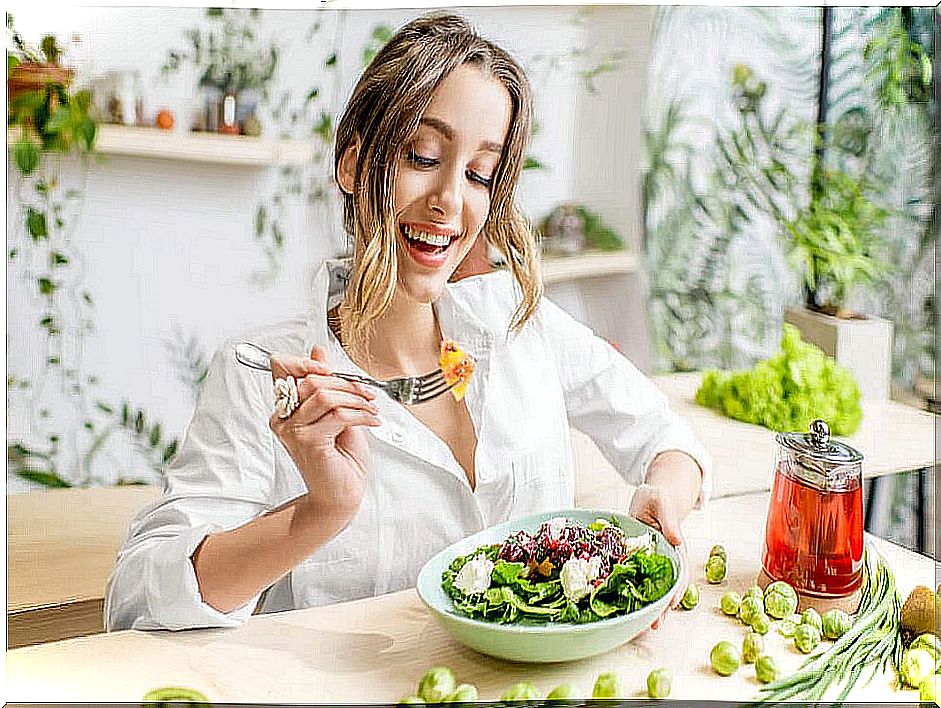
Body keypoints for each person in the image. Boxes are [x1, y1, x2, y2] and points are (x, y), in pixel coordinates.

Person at [105, 12, 711, 632]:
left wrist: (662, 493)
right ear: (353, 162)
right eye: (423, 156)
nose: (450, 198)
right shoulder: (264, 374)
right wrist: (319, 512)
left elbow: (664, 435)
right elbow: (137, 600)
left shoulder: (517, 322)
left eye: (480, 173)